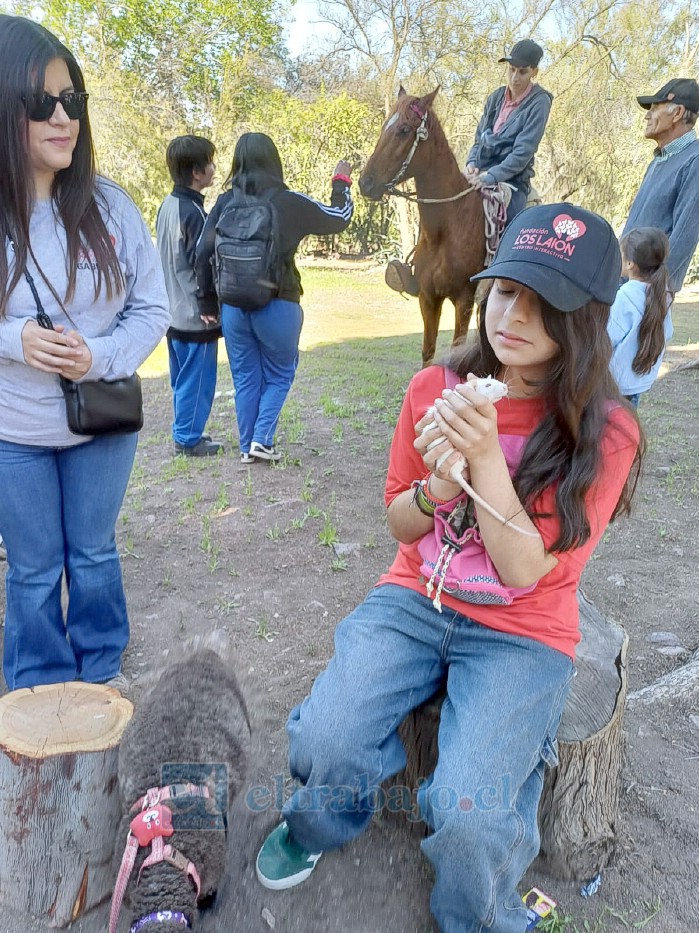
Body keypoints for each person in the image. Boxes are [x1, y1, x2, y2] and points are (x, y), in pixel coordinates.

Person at [255, 203, 643, 933]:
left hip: (522, 629)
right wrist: (435, 486)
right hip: (415, 597)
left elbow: (526, 569)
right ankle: (318, 826)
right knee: (326, 738)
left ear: (583, 319)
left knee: (469, 811)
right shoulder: (432, 389)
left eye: (543, 304)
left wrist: (488, 458)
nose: (512, 317)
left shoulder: (605, 431)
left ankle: (479, 913)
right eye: (504, 291)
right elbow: (399, 524)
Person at [0, 15, 170, 691]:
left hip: (99, 420)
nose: (63, 116)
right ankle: (39, 682)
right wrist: (17, 340)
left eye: (74, 100)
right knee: (35, 565)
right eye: (44, 102)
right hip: (14, 432)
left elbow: (153, 307)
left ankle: (99, 669)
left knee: (93, 553)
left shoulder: (111, 206)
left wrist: (95, 355)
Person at [195, 133, 353, 463]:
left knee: (246, 378)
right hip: (278, 302)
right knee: (280, 373)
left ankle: (247, 447)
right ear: (274, 161)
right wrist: (341, 182)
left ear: (238, 162)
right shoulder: (289, 202)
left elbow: (202, 252)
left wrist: (207, 303)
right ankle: (262, 440)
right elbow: (340, 218)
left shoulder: (225, 203)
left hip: (234, 308)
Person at [156, 135, 224, 458]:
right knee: (197, 381)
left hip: (172, 311)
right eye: (210, 163)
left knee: (182, 378)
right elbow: (202, 262)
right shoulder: (195, 213)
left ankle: (186, 429)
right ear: (197, 172)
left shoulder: (168, 206)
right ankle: (187, 438)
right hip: (194, 315)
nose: (214, 168)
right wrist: (208, 303)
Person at [622, 78, 699, 293]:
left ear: (677, 113)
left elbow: (685, 235)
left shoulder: (695, 161)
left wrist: (653, 291)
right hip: (626, 285)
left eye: (655, 107)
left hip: (647, 292)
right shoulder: (657, 161)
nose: (647, 115)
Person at [464, 39, 552, 224]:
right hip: (480, 171)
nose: (515, 78)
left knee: (509, 232)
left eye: (522, 72)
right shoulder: (496, 97)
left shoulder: (539, 102)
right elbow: (479, 138)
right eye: (511, 69)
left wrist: (490, 177)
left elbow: (523, 153)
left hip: (512, 180)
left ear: (534, 72)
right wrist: (472, 162)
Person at [609, 227, 673, 408]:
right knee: (627, 426)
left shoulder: (625, 297)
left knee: (609, 428)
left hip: (615, 385)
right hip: (638, 382)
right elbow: (667, 333)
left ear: (630, 263)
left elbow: (607, 337)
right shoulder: (662, 294)